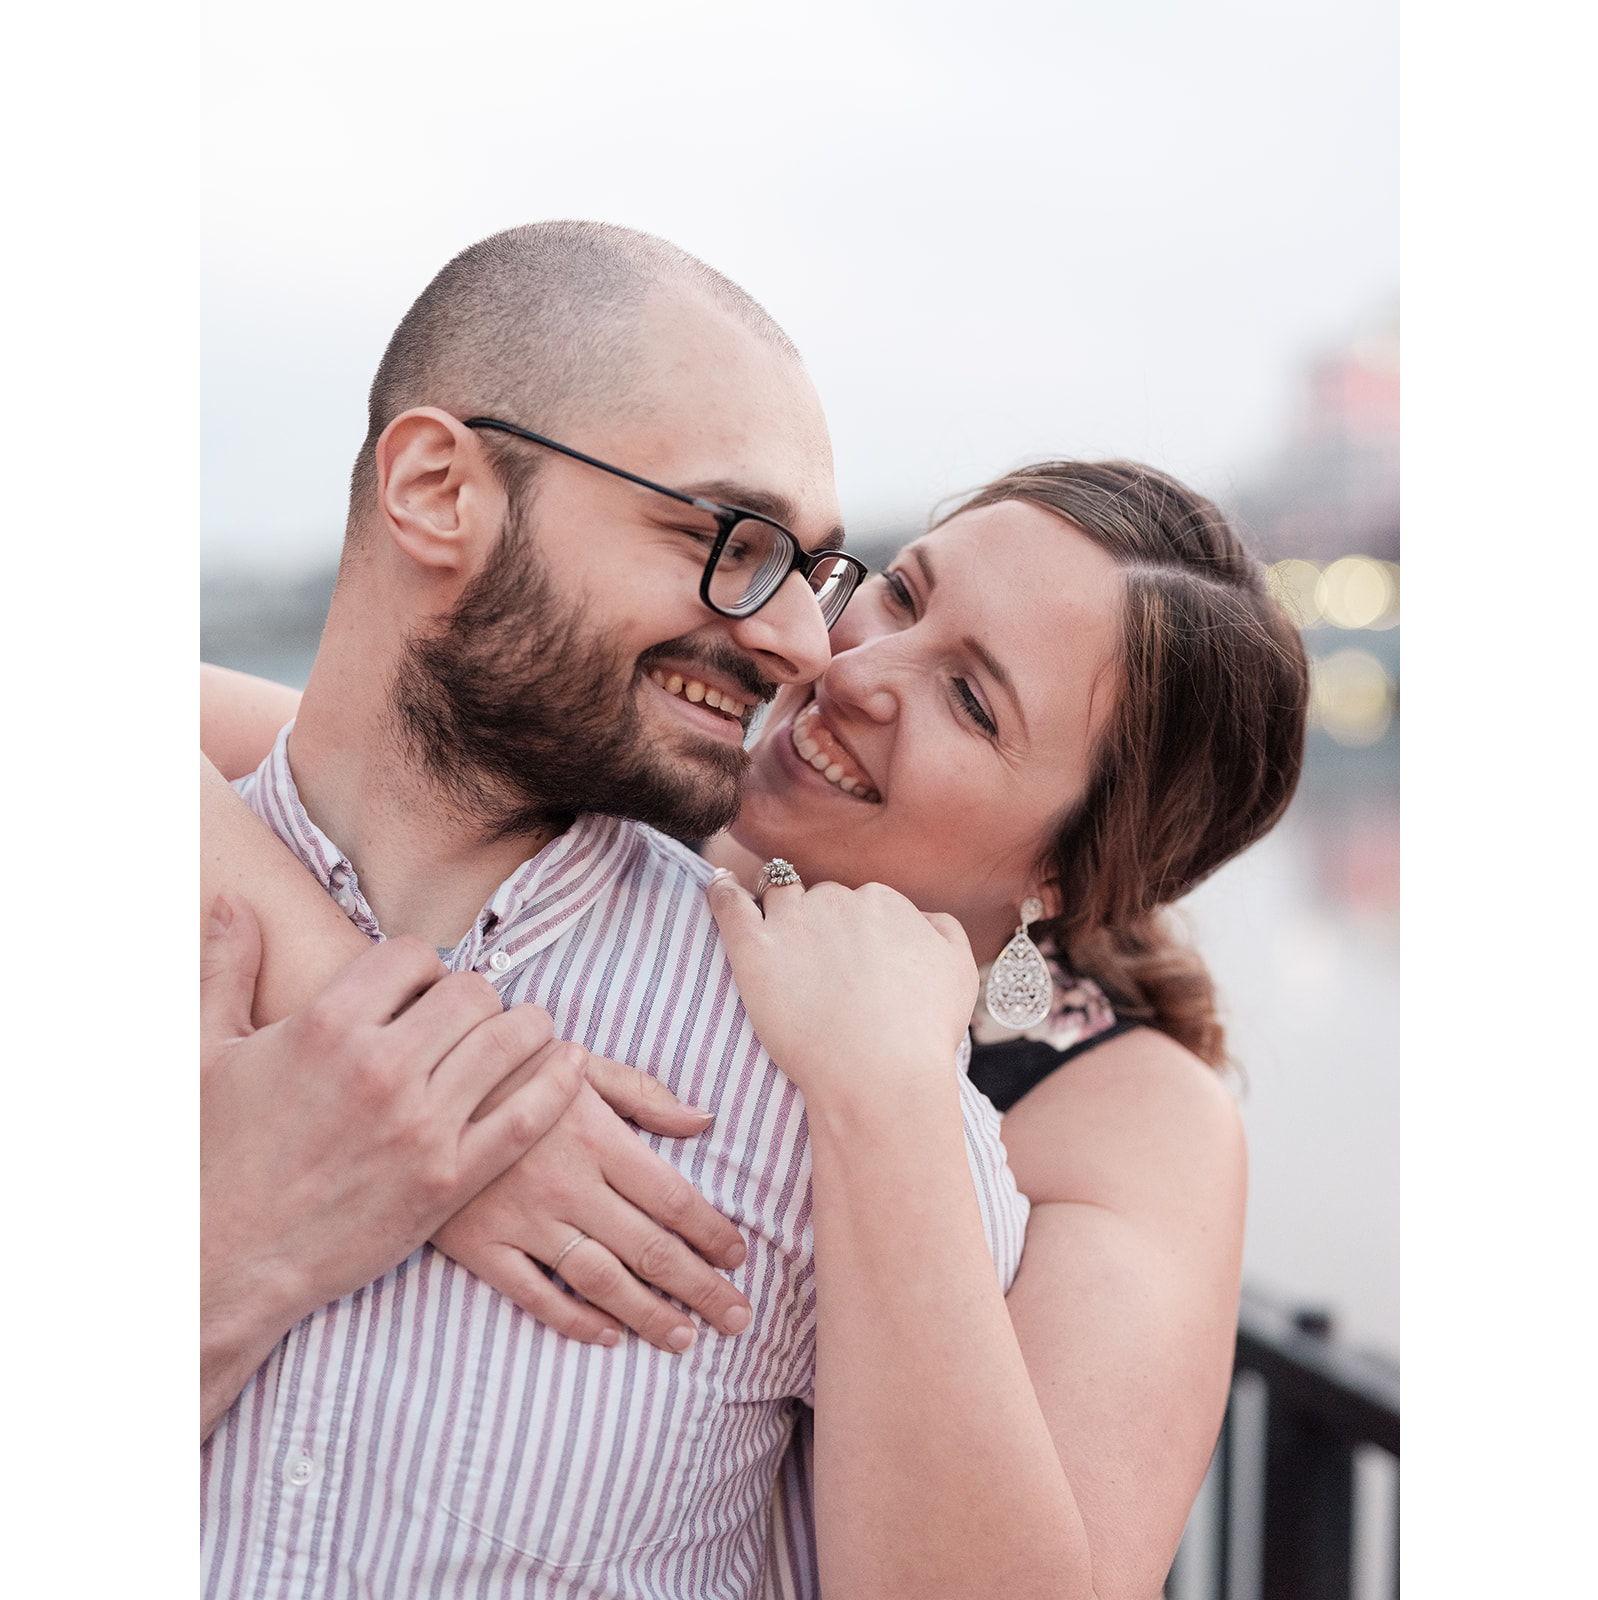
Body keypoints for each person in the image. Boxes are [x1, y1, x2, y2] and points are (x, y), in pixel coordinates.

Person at [205, 450, 1308, 1596]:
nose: (855, 667)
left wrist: (881, 1088)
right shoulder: (618, 817)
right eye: (903, 593)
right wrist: (455, 1104)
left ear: (1068, 870)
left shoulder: (1123, 1110)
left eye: (972, 700)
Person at [199, 219, 1031, 1600]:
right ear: (437, 492)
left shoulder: (837, 1105)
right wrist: (232, 1254)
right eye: (730, 539)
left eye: (811, 572)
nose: (804, 644)